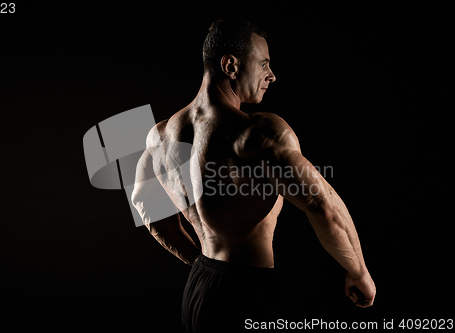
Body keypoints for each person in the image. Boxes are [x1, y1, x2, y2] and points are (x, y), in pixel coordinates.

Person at [131, 19, 376, 332]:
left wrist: (199, 262)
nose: (271, 76)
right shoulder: (256, 133)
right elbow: (322, 206)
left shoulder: (160, 135)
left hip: (198, 288)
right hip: (246, 294)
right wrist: (358, 271)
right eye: (263, 64)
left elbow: (144, 204)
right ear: (230, 65)